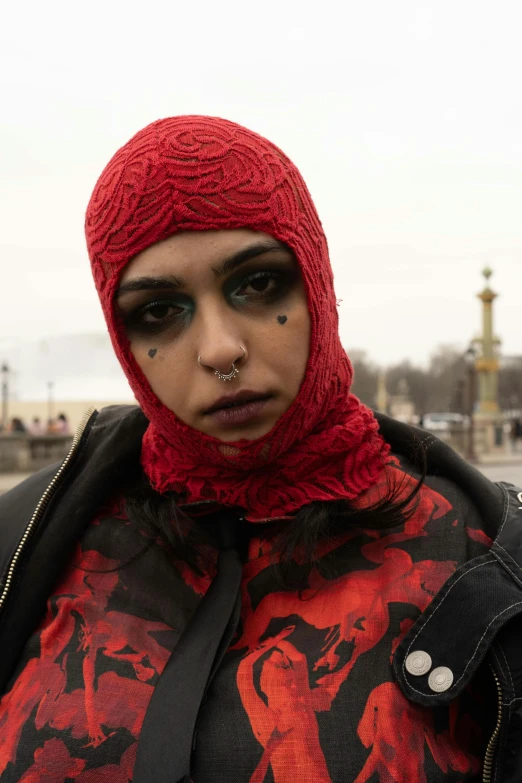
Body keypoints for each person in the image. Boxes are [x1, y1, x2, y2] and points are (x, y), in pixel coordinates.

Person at [0, 116, 520, 783]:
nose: (219, 348)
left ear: (316, 283)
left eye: (256, 283)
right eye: (159, 311)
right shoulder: (34, 543)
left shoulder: (482, 560)